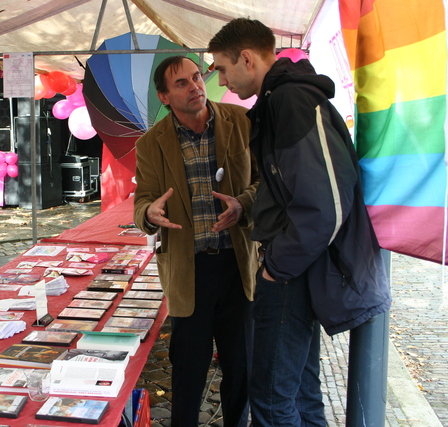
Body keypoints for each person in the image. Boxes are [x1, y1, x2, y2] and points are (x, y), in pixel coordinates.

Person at [208, 18, 391, 426]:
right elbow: (296, 192)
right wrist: (249, 210)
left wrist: (276, 268)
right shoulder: (281, 100)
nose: (221, 82)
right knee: (301, 393)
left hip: (293, 272)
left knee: (273, 400)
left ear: (246, 58)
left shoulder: (289, 102)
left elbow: (323, 205)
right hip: (297, 268)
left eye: (221, 68)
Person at [133, 55, 259, 427]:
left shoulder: (241, 121)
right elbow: (143, 199)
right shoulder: (150, 144)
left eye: (196, 78)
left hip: (237, 266)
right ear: (165, 97)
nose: (195, 87)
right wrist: (149, 213)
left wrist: (243, 204)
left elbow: (264, 181)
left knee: (241, 367)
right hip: (189, 271)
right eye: (181, 84)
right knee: (188, 370)